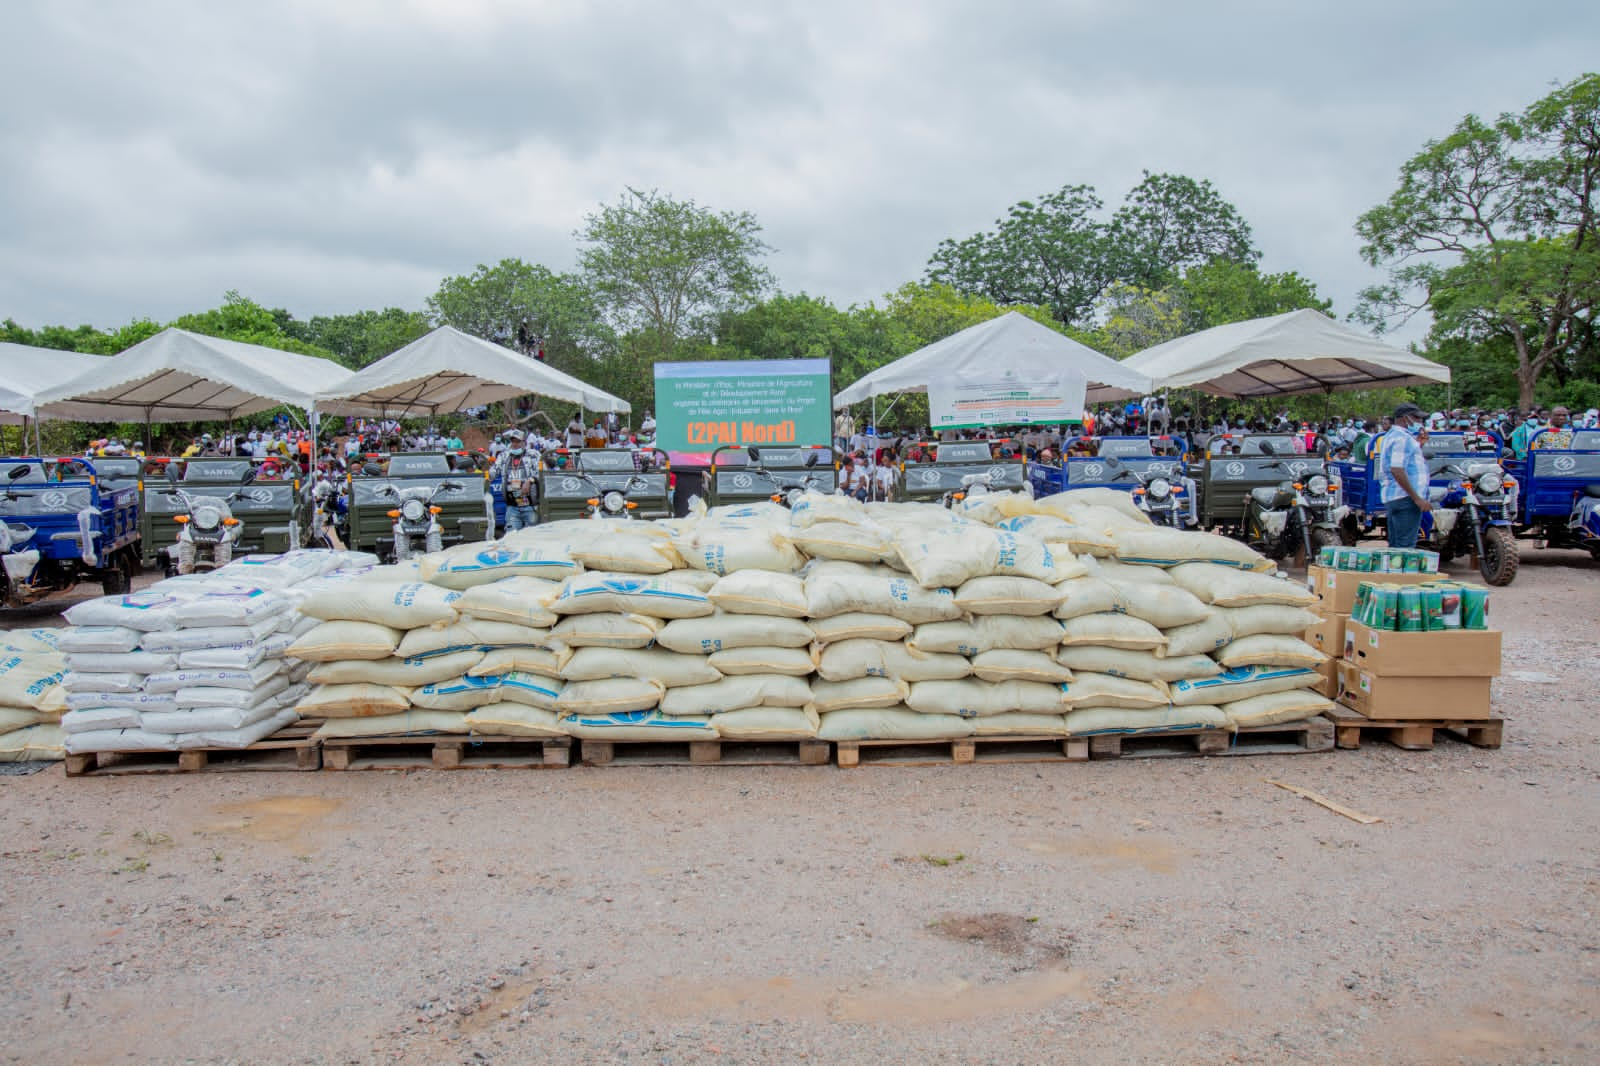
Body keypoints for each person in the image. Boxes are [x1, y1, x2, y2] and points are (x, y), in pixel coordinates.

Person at [1379, 402, 1432, 549]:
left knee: (1396, 546)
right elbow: (1397, 469)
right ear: (1405, 418)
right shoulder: (1402, 438)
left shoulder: (1392, 436)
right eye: (1416, 418)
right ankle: (1400, 572)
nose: (1419, 422)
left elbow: (1402, 462)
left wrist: (1419, 445)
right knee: (1405, 548)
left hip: (1395, 497)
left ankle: (1393, 571)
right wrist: (1417, 498)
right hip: (1405, 498)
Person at [497, 430, 539, 532]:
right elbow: (494, 470)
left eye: (518, 441)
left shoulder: (533, 454)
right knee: (511, 536)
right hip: (512, 505)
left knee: (532, 536)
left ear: (524, 442)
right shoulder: (504, 456)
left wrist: (530, 481)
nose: (515, 444)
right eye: (513, 441)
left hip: (529, 505)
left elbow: (542, 472)